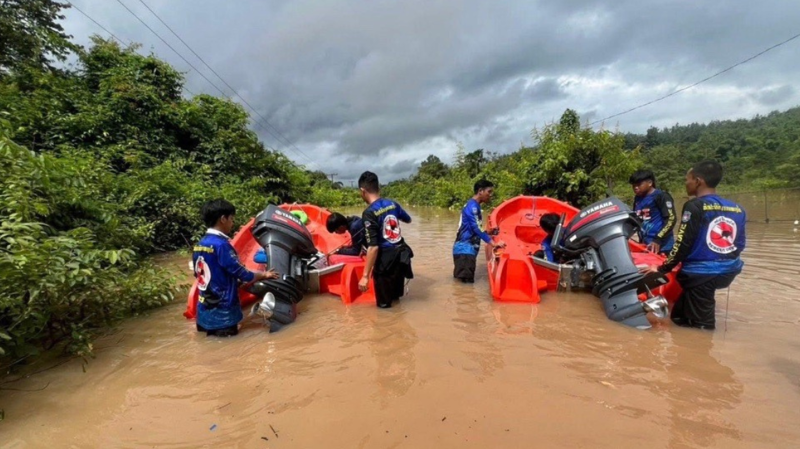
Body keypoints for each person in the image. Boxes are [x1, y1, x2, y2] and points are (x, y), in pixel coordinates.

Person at [641, 160, 746, 330]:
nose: (686, 183)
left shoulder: (694, 206)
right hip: (729, 269)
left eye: (687, 179)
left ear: (698, 181)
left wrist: (661, 269)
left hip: (702, 273)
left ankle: (703, 351)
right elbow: (740, 244)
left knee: (702, 326)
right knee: (678, 317)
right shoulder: (737, 208)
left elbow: (683, 243)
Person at [193, 199, 278, 336]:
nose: (233, 223)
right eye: (231, 219)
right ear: (223, 219)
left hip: (204, 313)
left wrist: (237, 284)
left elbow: (204, 275)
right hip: (223, 315)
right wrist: (263, 275)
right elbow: (242, 273)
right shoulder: (222, 245)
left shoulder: (200, 244)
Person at [357, 171, 414, 308]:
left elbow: (373, 247)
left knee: (384, 307)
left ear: (362, 191)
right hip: (400, 256)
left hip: (385, 261)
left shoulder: (369, 213)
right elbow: (408, 219)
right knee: (396, 299)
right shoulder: (393, 204)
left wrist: (365, 276)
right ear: (378, 187)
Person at [453, 180, 506, 283]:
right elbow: (476, 228)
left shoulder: (473, 205)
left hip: (465, 251)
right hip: (465, 251)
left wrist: (488, 232)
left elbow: (473, 228)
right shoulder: (473, 207)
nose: (490, 195)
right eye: (489, 192)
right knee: (465, 291)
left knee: (462, 288)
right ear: (480, 191)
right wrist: (494, 244)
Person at [629, 169, 677, 254]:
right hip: (646, 244)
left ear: (650, 183)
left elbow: (671, 219)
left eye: (639, 184)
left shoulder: (661, 196)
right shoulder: (637, 199)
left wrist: (658, 239)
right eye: (633, 185)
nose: (635, 188)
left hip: (663, 246)